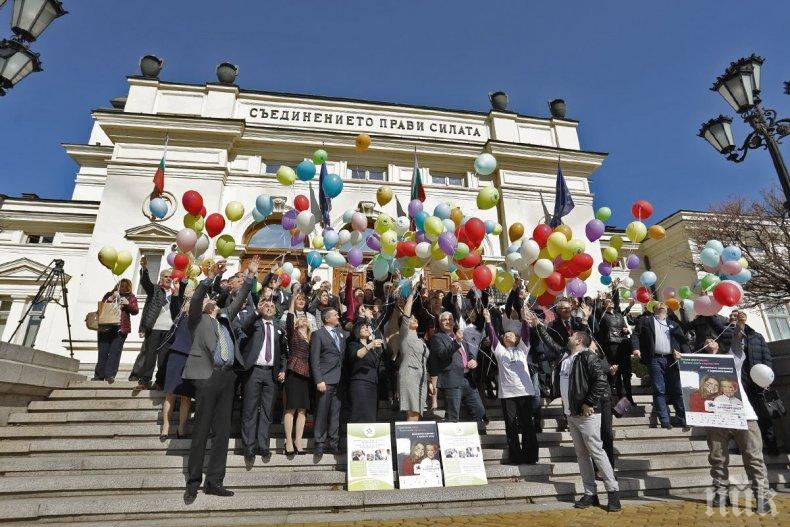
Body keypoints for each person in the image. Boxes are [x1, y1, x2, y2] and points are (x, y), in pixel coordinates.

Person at [182, 256, 257, 503]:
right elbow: (195, 298)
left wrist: (250, 276)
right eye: (209, 298)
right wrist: (211, 277)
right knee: (202, 429)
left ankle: (215, 481)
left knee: (222, 432)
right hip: (207, 376)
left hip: (228, 377)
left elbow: (240, 298)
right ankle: (193, 482)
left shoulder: (225, 316)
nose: (210, 300)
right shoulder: (196, 319)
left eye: (212, 299)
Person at [532, 314, 620, 512]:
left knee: (597, 452)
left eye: (573, 336)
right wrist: (538, 325)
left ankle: (613, 492)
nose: (569, 336)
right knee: (581, 455)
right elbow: (550, 343)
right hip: (571, 414)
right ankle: (591, 493)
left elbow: (600, 381)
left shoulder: (588, 356)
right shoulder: (565, 356)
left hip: (587, 413)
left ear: (579, 340)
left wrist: (589, 402)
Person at [702, 339, 772, 515]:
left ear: (719, 344)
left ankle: (762, 496)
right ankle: (721, 492)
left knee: (753, 457)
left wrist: (739, 327)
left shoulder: (732, 359)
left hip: (744, 415)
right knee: (717, 457)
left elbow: (737, 344)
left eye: (713, 339)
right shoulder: (700, 365)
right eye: (706, 340)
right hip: (716, 417)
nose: (710, 342)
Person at [713, 310, 777, 454]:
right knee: (741, 414)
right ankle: (743, 446)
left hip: (758, 380)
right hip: (738, 381)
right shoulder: (727, 337)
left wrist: (767, 379)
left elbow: (767, 358)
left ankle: (772, 447)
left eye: (735, 316)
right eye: (731, 317)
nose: (732, 318)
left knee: (763, 414)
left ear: (743, 318)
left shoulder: (757, 336)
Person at [482, 307, 538, 465]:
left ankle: (531, 455)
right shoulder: (500, 351)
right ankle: (515, 456)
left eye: (511, 333)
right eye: (505, 334)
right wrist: (488, 321)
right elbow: (492, 337)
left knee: (527, 424)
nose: (508, 335)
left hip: (525, 392)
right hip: (507, 395)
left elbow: (526, 333)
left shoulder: (523, 348)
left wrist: (525, 318)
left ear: (517, 338)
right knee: (511, 425)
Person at [238, 296, 287, 460]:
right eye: (267, 305)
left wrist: (283, 369)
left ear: (276, 311)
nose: (269, 307)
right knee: (250, 410)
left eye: (273, 306)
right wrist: (256, 313)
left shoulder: (279, 328)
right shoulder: (255, 324)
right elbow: (244, 328)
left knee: (267, 412)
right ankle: (249, 447)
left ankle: (263, 446)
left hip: (271, 374)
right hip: (254, 371)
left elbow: (284, 353)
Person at [631, 302, 691, 429]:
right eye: (659, 304)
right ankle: (664, 420)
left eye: (664, 304)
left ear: (667, 310)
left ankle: (682, 418)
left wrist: (686, 356)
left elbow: (683, 342)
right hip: (655, 359)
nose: (662, 304)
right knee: (659, 389)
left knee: (677, 389)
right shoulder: (645, 321)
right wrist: (636, 348)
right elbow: (635, 335)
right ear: (654, 309)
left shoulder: (674, 324)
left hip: (672, 360)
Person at [161, 275, 203, 439]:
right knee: (170, 393)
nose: (191, 299)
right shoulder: (178, 311)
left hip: (190, 357)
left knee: (186, 396)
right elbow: (178, 297)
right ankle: (165, 425)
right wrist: (184, 281)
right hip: (176, 354)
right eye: (190, 296)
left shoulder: (197, 316)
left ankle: (181, 428)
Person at [429, 311, 485, 430]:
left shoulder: (459, 336)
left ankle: (469, 437)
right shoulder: (437, 337)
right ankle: (450, 443)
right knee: (452, 415)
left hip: (467, 379)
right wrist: (456, 342)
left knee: (479, 410)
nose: (448, 321)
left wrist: (473, 361)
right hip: (451, 380)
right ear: (440, 322)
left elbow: (469, 354)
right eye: (444, 320)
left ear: (454, 322)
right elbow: (443, 354)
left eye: (450, 319)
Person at [129, 257, 173, 390]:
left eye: (170, 276)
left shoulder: (175, 293)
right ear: (161, 278)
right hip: (154, 328)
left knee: (164, 358)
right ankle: (145, 380)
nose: (168, 278)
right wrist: (144, 269)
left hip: (169, 330)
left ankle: (160, 382)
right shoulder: (154, 290)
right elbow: (145, 282)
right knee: (150, 355)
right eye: (165, 276)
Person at [309, 307, 347, 455]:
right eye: (335, 315)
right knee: (322, 412)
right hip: (325, 380)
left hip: (339, 380)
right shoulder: (318, 334)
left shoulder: (341, 334)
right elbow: (314, 359)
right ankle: (319, 442)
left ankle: (334, 442)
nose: (338, 316)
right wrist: (319, 380)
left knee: (335, 413)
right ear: (327, 319)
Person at [396, 279, 432, 421]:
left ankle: (413, 441)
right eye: (412, 319)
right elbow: (406, 314)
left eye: (415, 319)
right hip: (409, 374)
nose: (414, 319)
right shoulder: (404, 335)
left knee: (418, 412)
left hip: (421, 376)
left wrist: (428, 380)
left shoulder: (420, 340)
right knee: (413, 411)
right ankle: (411, 441)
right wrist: (412, 293)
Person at [282, 293, 313, 455]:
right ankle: (288, 440)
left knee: (302, 410)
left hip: (305, 375)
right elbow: (289, 318)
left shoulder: (311, 338)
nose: (303, 319)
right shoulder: (292, 333)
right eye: (300, 319)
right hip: (293, 372)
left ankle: (298, 440)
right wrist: (293, 301)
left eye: (305, 319)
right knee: (291, 408)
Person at [94, 279, 139, 383]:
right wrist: (111, 298)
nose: (123, 288)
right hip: (105, 327)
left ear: (129, 287)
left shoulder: (131, 297)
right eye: (121, 285)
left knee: (115, 352)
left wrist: (128, 304)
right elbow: (101, 306)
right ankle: (98, 375)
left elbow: (135, 311)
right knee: (103, 351)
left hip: (120, 328)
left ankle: (110, 375)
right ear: (117, 285)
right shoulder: (109, 294)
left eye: (125, 286)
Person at [597, 289, 634, 404]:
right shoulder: (602, 315)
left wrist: (625, 330)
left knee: (627, 373)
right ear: (604, 305)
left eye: (611, 301)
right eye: (607, 301)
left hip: (623, 344)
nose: (611, 302)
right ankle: (619, 399)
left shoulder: (618, 315)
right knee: (617, 373)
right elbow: (596, 311)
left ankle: (629, 398)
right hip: (612, 345)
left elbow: (625, 329)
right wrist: (600, 299)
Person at [346, 322, 384, 422]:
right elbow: (357, 355)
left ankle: (369, 436)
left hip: (372, 382)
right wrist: (370, 345)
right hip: (360, 382)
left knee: (370, 413)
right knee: (360, 412)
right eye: (363, 327)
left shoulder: (372, 349)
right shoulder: (353, 344)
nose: (367, 329)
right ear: (357, 331)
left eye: (367, 327)